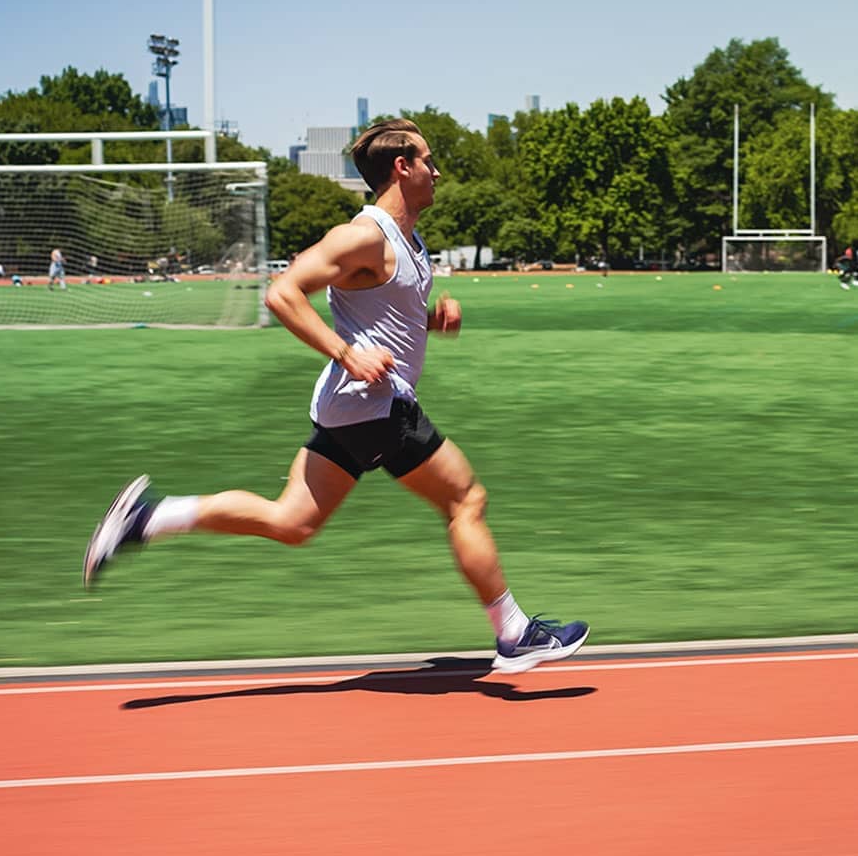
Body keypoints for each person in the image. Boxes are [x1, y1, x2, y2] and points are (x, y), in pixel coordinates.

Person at [83, 118, 589, 673]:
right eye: (428, 160)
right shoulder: (364, 234)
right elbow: (282, 293)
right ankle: (515, 633)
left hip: (351, 409)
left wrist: (427, 322)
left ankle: (148, 520)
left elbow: (379, 313)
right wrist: (346, 354)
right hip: (376, 406)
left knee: (292, 522)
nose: (437, 170)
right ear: (402, 168)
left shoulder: (406, 240)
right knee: (465, 498)